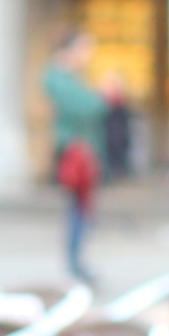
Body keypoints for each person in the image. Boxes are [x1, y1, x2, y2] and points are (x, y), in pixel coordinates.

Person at [44, 32, 105, 282]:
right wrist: (100, 96)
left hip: (83, 149)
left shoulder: (71, 78)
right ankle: (74, 262)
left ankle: (77, 259)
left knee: (82, 208)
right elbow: (89, 106)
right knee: (77, 208)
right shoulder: (58, 77)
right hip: (74, 152)